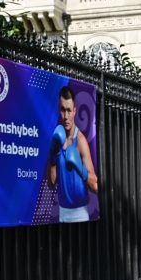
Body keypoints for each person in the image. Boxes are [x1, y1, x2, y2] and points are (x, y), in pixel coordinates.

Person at [48, 87, 99, 222]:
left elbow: (95, 186)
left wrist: (80, 168)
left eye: (69, 110)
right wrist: (53, 157)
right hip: (62, 212)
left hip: (79, 214)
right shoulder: (57, 139)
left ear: (75, 111)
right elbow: (52, 183)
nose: (66, 116)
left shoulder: (80, 141)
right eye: (63, 110)